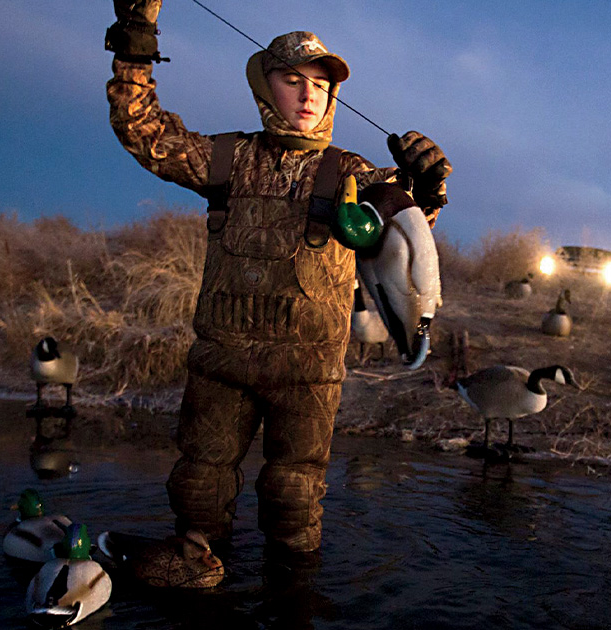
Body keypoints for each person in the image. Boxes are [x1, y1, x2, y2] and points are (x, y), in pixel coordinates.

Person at [104, 0, 451, 555]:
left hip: (308, 373)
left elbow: (408, 230)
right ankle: (197, 575)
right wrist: (134, 43)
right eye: (293, 80)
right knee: (198, 489)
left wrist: (429, 188)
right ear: (265, 87)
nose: (310, 94)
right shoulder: (223, 159)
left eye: (320, 84)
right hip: (221, 366)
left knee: (294, 502)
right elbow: (142, 130)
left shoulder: (355, 175)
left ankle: (293, 599)